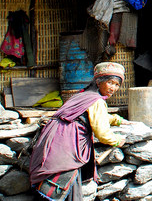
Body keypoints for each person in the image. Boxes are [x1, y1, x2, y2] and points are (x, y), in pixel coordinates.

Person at [29, 62, 128, 200]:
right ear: (99, 82)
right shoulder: (96, 101)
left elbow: (92, 115)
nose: (113, 88)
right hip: (67, 144)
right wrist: (117, 140)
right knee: (63, 182)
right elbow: (102, 133)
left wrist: (116, 119)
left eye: (117, 85)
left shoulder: (83, 95)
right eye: (110, 83)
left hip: (54, 138)